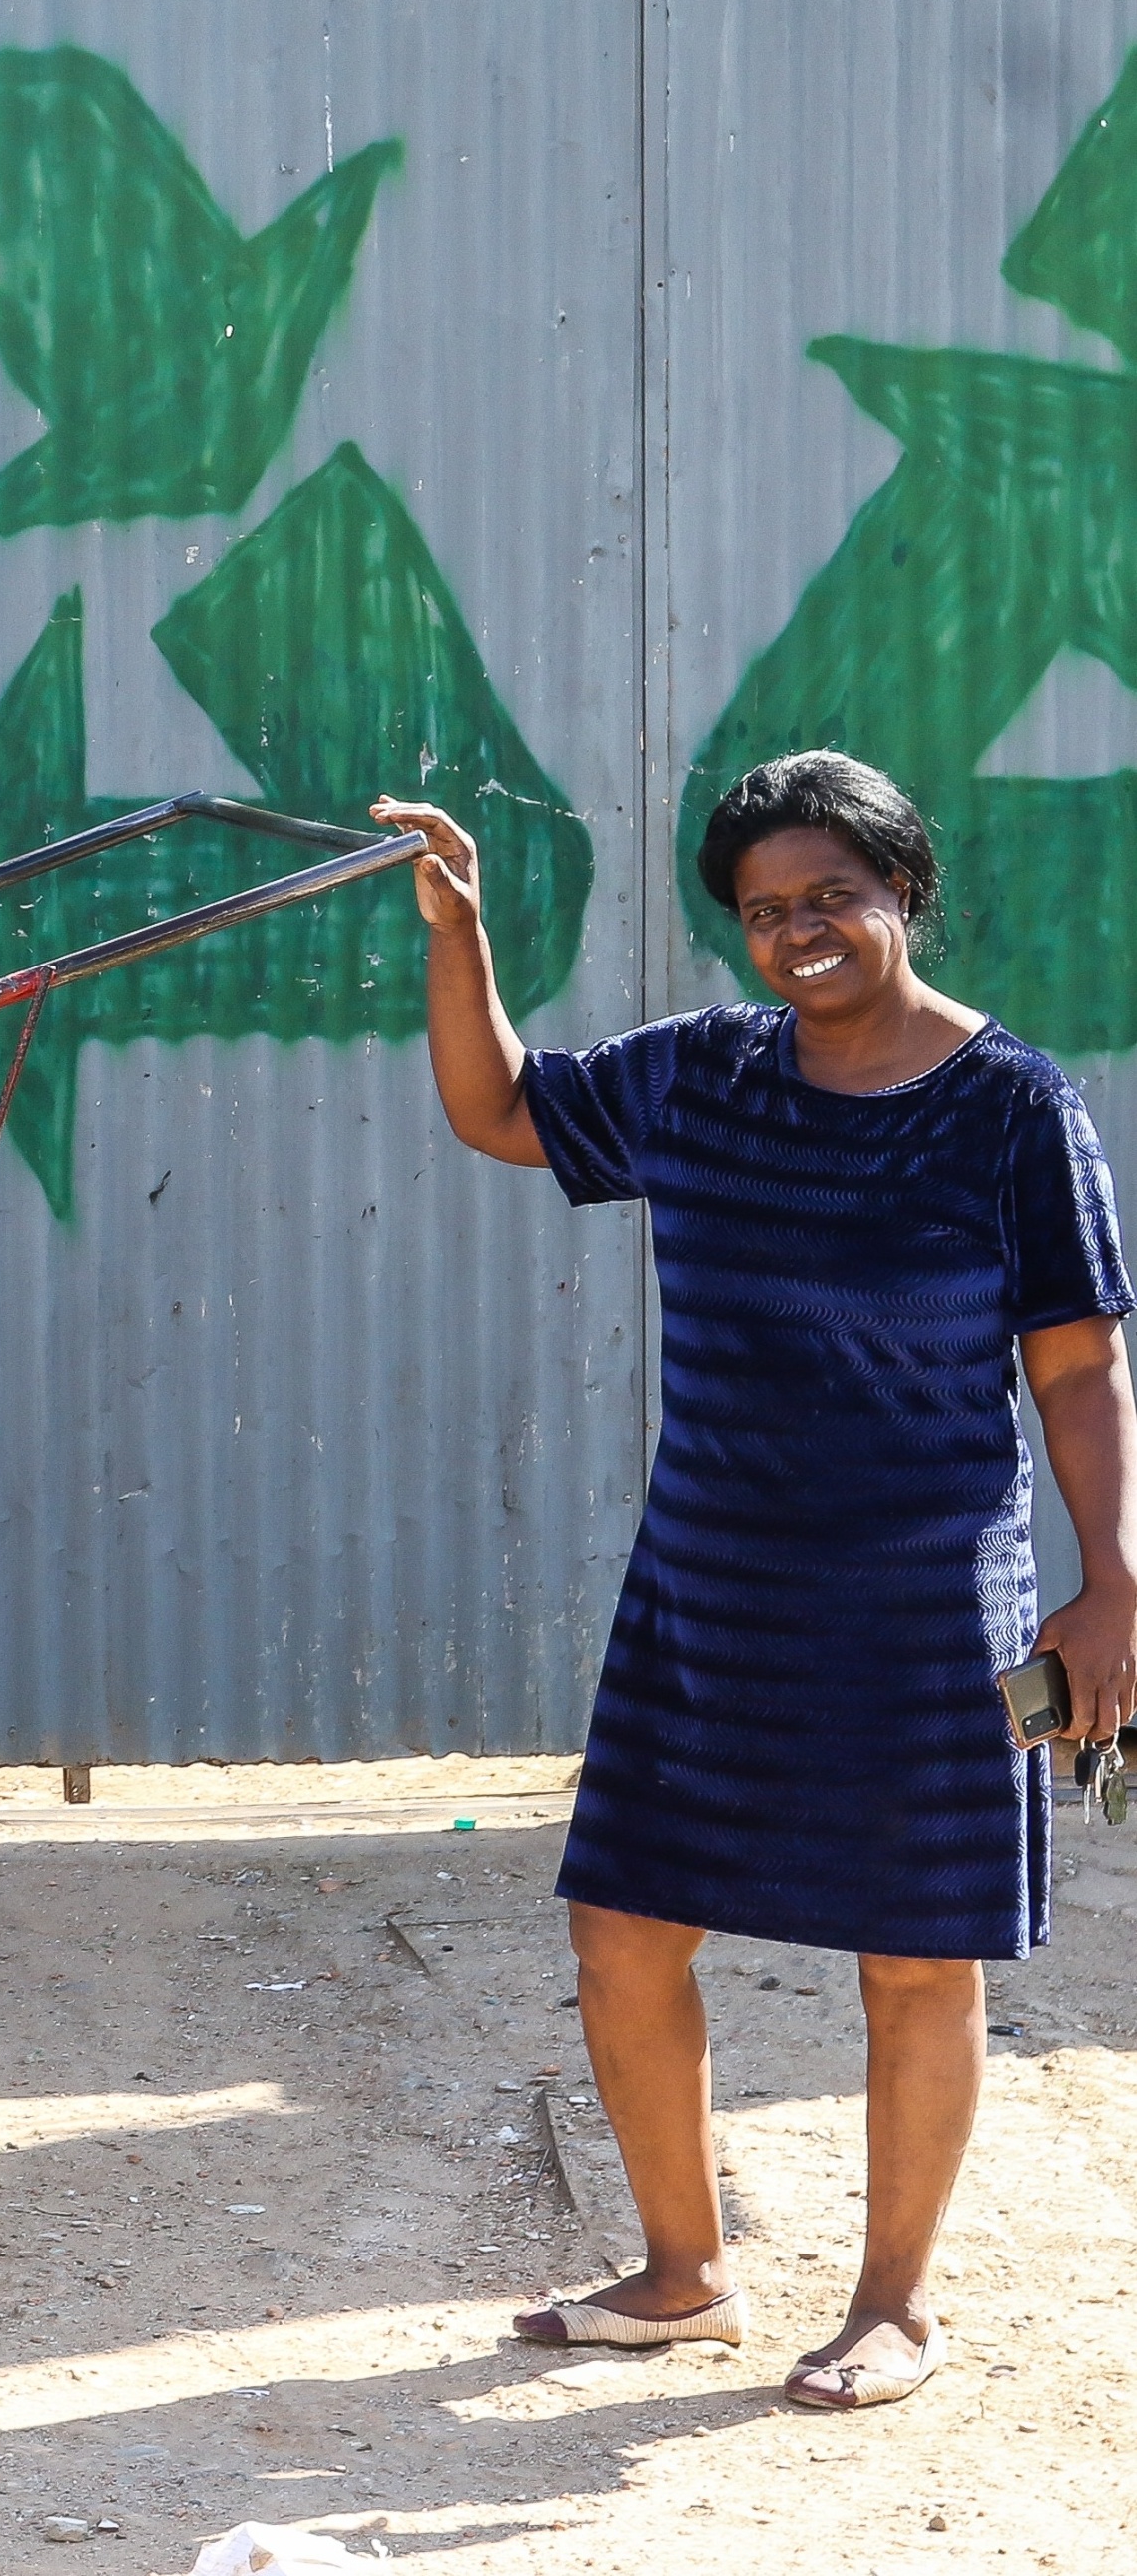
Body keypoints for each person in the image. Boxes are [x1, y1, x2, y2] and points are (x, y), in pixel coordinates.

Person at [371, 752, 1137, 2409]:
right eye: (764, 909)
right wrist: (460, 934)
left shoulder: (1011, 1105)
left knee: (918, 1953)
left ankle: (894, 2306)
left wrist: (1112, 1581)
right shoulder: (705, 1078)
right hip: (711, 1584)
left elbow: (1077, 1367)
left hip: (929, 1592)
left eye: (831, 896)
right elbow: (500, 1107)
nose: (797, 931)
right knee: (626, 1926)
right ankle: (682, 2269)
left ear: (902, 890)